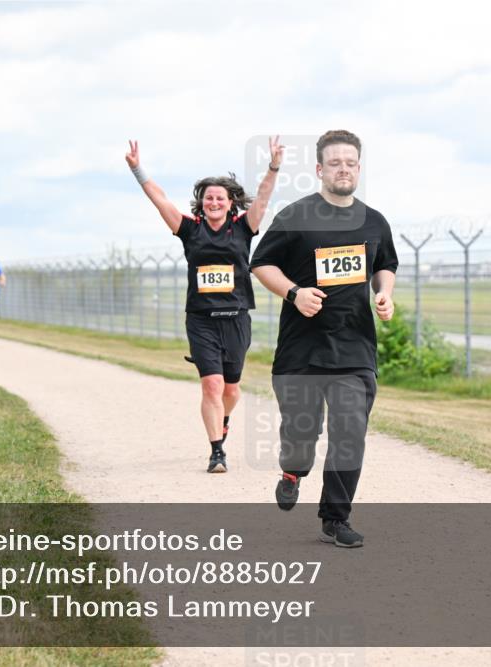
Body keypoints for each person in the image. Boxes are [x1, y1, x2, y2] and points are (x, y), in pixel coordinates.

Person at [250, 130, 398, 548]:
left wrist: (383, 293)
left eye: (350, 163)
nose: (344, 169)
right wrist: (294, 293)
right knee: (301, 438)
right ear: (320, 169)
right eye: (335, 163)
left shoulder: (373, 221)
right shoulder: (296, 216)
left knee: (350, 431)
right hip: (301, 351)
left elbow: (384, 265)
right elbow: (261, 265)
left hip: (354, 348)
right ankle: (292, 471)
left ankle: (336, 518)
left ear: (359, 167)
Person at [125, 137, 283, 473]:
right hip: (201, 320)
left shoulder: (244, 229)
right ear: (202, 202)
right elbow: (160, 201)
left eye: (219, 198)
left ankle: (223, 420)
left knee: (231, 389)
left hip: (236, 318)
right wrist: (138, 170)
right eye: (208, 197)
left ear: (230, 203)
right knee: (211, 384)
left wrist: (273, 166)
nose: (213, 201)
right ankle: (217, 451)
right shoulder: (189, 230)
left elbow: (265, 198)